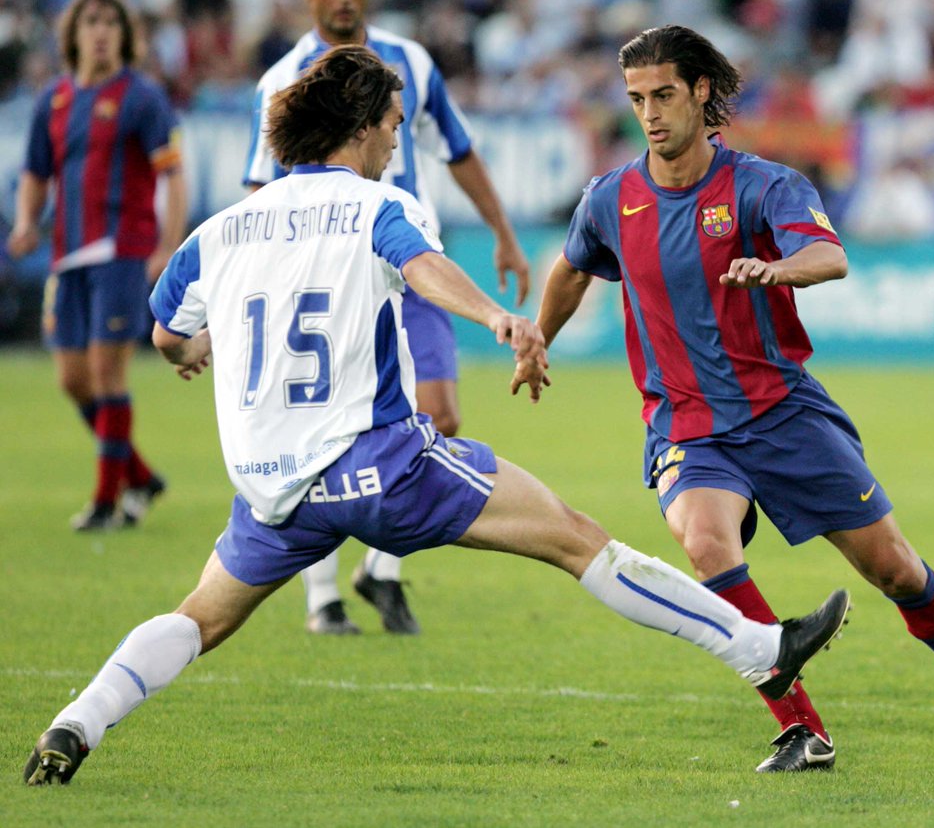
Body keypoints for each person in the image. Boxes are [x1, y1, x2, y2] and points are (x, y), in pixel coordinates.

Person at [22, 46, 850, 786]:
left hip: (273, 491)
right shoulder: (376, 207)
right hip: (379, 468)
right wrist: (495, 316)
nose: (394, 144)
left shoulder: (221, 230)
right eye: (391, 126)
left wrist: (193, 349)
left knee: (198, 617)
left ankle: (75, 722)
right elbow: (421, 270)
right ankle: (760, 647)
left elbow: (167, 332)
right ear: (359, 128)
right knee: (575, 537)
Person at [514, 25, 934, 772]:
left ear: (702, 91)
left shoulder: (762, 186)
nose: (649, 114)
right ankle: (802, 729)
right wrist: (539, 339)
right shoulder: (611, 199)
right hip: (686, 424)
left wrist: (779, 270)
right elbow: (573, 269)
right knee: (706, 543)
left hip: (783, 413)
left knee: (896, 570)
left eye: (664, 95)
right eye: (637, 99)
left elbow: (829, 254)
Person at [244, 0, 532, 637]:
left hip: (410, 262)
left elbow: (458, 150)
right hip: (329, 277)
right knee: (320, 428)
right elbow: (261, 189)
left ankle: (380, 568)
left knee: (440, 415)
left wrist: (504, 234)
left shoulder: (413, 63)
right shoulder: (281, 79)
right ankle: (323, 598)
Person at [5, 0, 186, 532]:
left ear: (125, 35)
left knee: (108, 373)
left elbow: (172, 173)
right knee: (72, 379)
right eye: (92, 21)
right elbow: (36, 171)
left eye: (111, 22)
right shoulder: (54, 99)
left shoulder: (142, 97)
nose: (101, 31)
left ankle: (107, 502)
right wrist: (25, 221)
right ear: (74, 33)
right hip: (68, 255)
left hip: (121, 250)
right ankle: (141, 477)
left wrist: (167, 244)